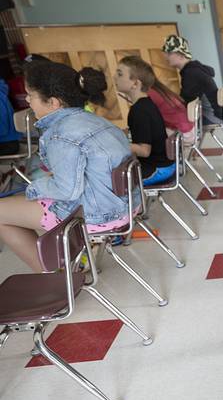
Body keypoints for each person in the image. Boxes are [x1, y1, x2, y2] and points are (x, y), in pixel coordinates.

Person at [0, 61, 132, 271]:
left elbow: (67, 190)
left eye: (30, 95)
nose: (27, 100)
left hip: (95, 214)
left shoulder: (61, 134)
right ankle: (71, 262)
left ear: (53, 102)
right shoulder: (97, 121)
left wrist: (35, 188)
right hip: (123, 205)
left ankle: (58, 278)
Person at [114, 56, 173, 186]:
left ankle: (134, 206)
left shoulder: (139, 111)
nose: (114, 77)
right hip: (166, 165)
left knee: (111, 181)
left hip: (158, 170)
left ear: (136, 83)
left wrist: (114, 144)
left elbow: (144, 151)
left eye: (120, 74)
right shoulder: (146, 104)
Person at [162, 34, 223, 125]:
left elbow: (186, 102)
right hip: (218, 114)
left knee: (169, 120)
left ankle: (186, 139)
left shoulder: (190, 73)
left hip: (212, 116)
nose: (166, 57)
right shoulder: (193, 70)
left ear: (181, 56)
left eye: (170, 53)